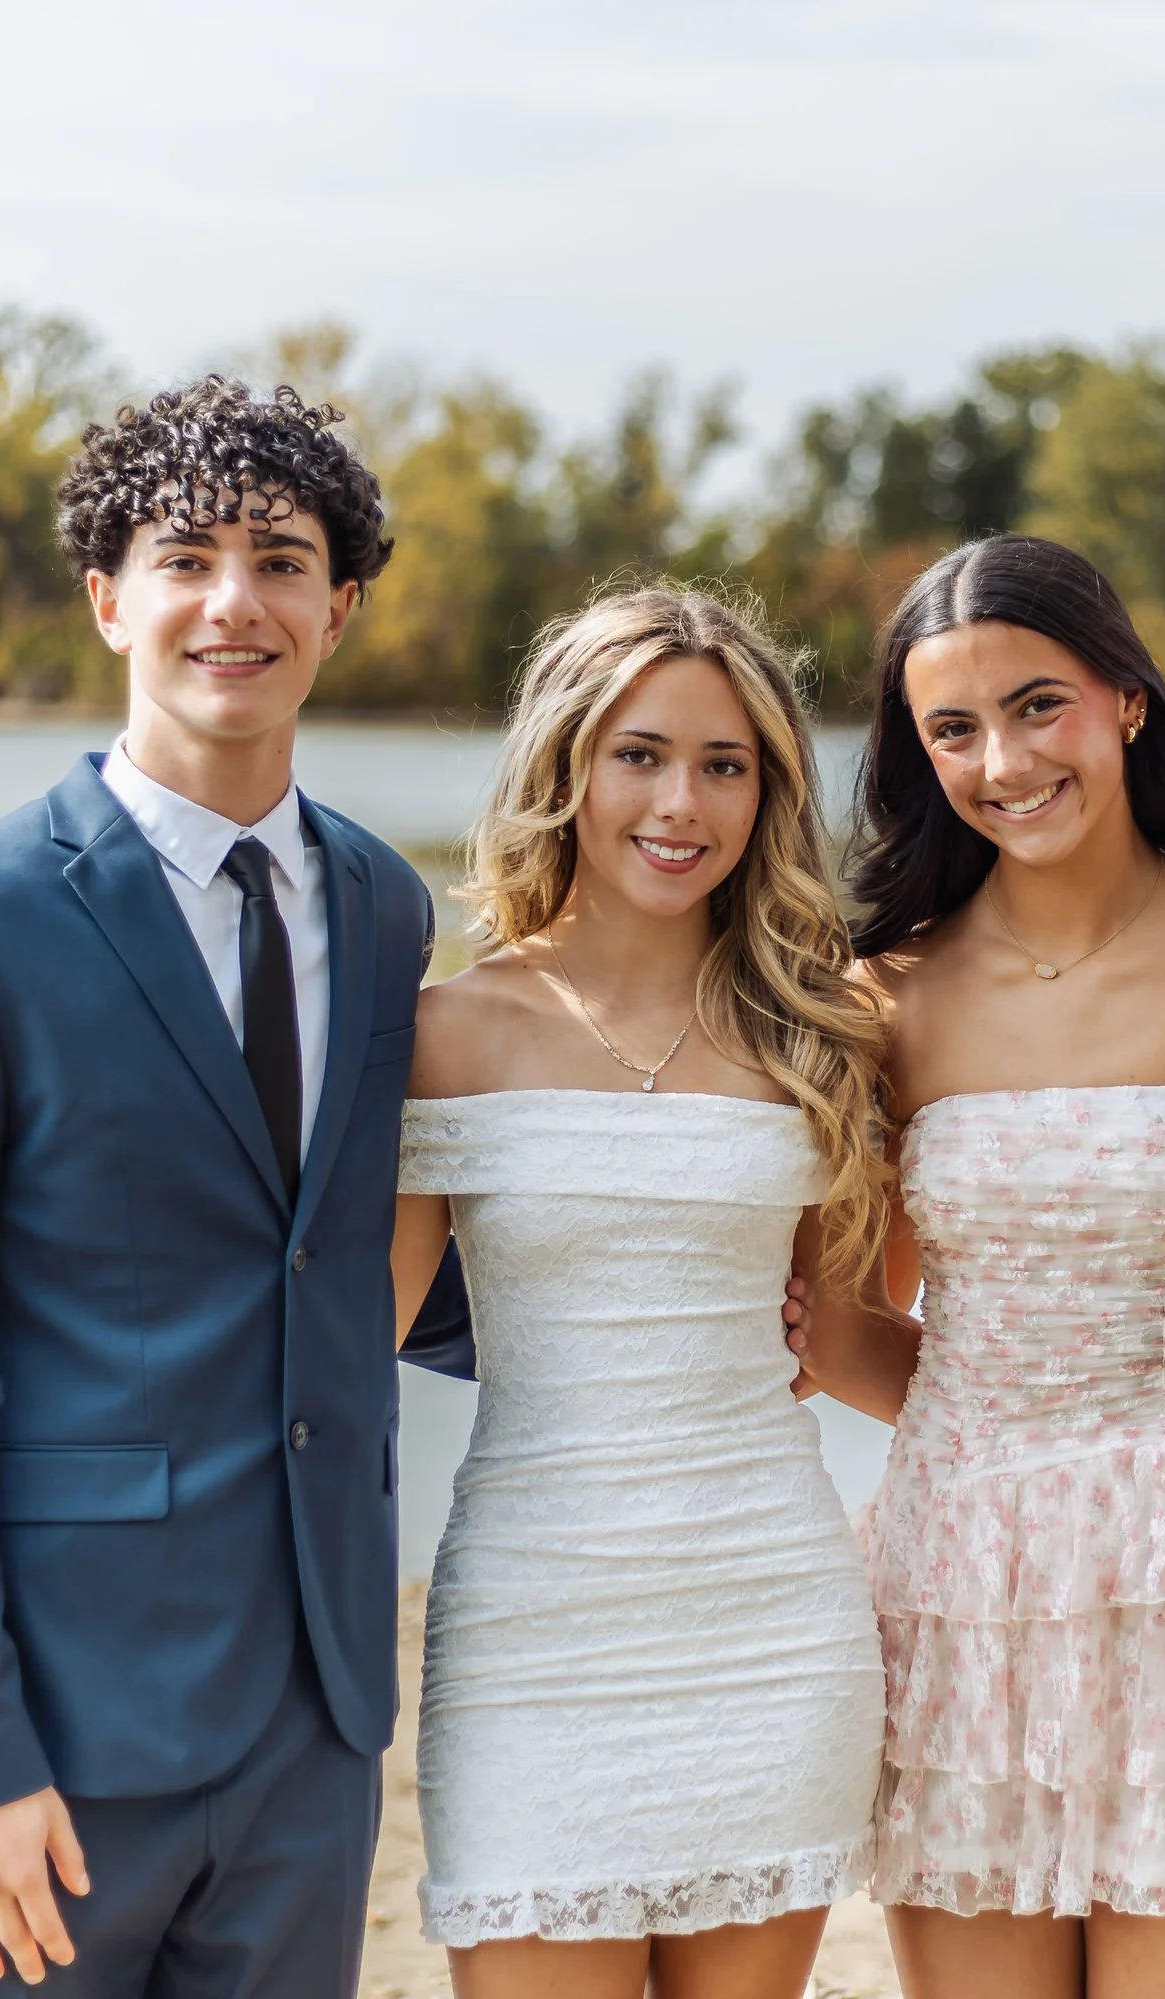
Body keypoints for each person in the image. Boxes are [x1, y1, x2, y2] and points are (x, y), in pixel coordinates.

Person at [0, 377, 474, 1997]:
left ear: (343, 606)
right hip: (57, 1719)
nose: (233, 599)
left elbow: (351, 1250)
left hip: (314, 1721)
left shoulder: (389, 910)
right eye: (185, 557)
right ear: (111, 599)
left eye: (281, 557)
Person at [804, 533, 1165, 1999]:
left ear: (1124, 697)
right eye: (955, 729)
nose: (1004, 758)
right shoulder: (889, 998)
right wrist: (1010, 1425)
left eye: (1038, 703)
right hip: (961, 1571)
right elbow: (840, 1319)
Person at [386, 586, 915, 1999]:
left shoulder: (826, 1030)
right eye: (641, 753)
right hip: (531, 1626)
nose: (682, 801)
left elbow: (851, 1332)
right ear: (565, 764)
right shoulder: (445, 1030)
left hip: (768, 1617)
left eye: (725, 764)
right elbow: (347, 1335)